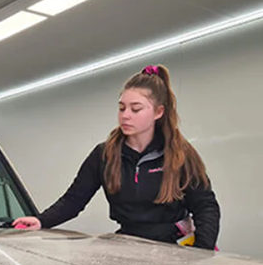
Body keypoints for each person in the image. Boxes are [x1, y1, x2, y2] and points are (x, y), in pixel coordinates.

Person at [13, 64, 220, 250]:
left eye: (136, 109)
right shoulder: (104, 154)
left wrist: (201, 251)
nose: (125, 115)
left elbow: (205, 206)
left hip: (173, 247)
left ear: (158, 112)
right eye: (122, 108)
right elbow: (74, 200)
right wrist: (41, 221)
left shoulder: (181, 154)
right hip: (127, 244)